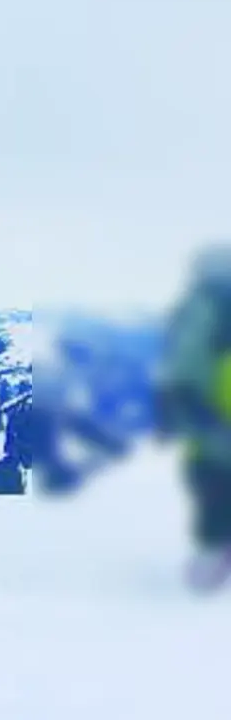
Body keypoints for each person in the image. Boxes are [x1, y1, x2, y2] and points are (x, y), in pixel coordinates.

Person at [156, 243, 231, 593]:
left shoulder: (200, 308)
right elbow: (188, 367)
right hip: (213, 423)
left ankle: (208, 572)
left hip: (210, 426)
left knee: (213, 492)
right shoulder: (207, 309)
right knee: (216, 492)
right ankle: (203, 585)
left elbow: (182, 369)